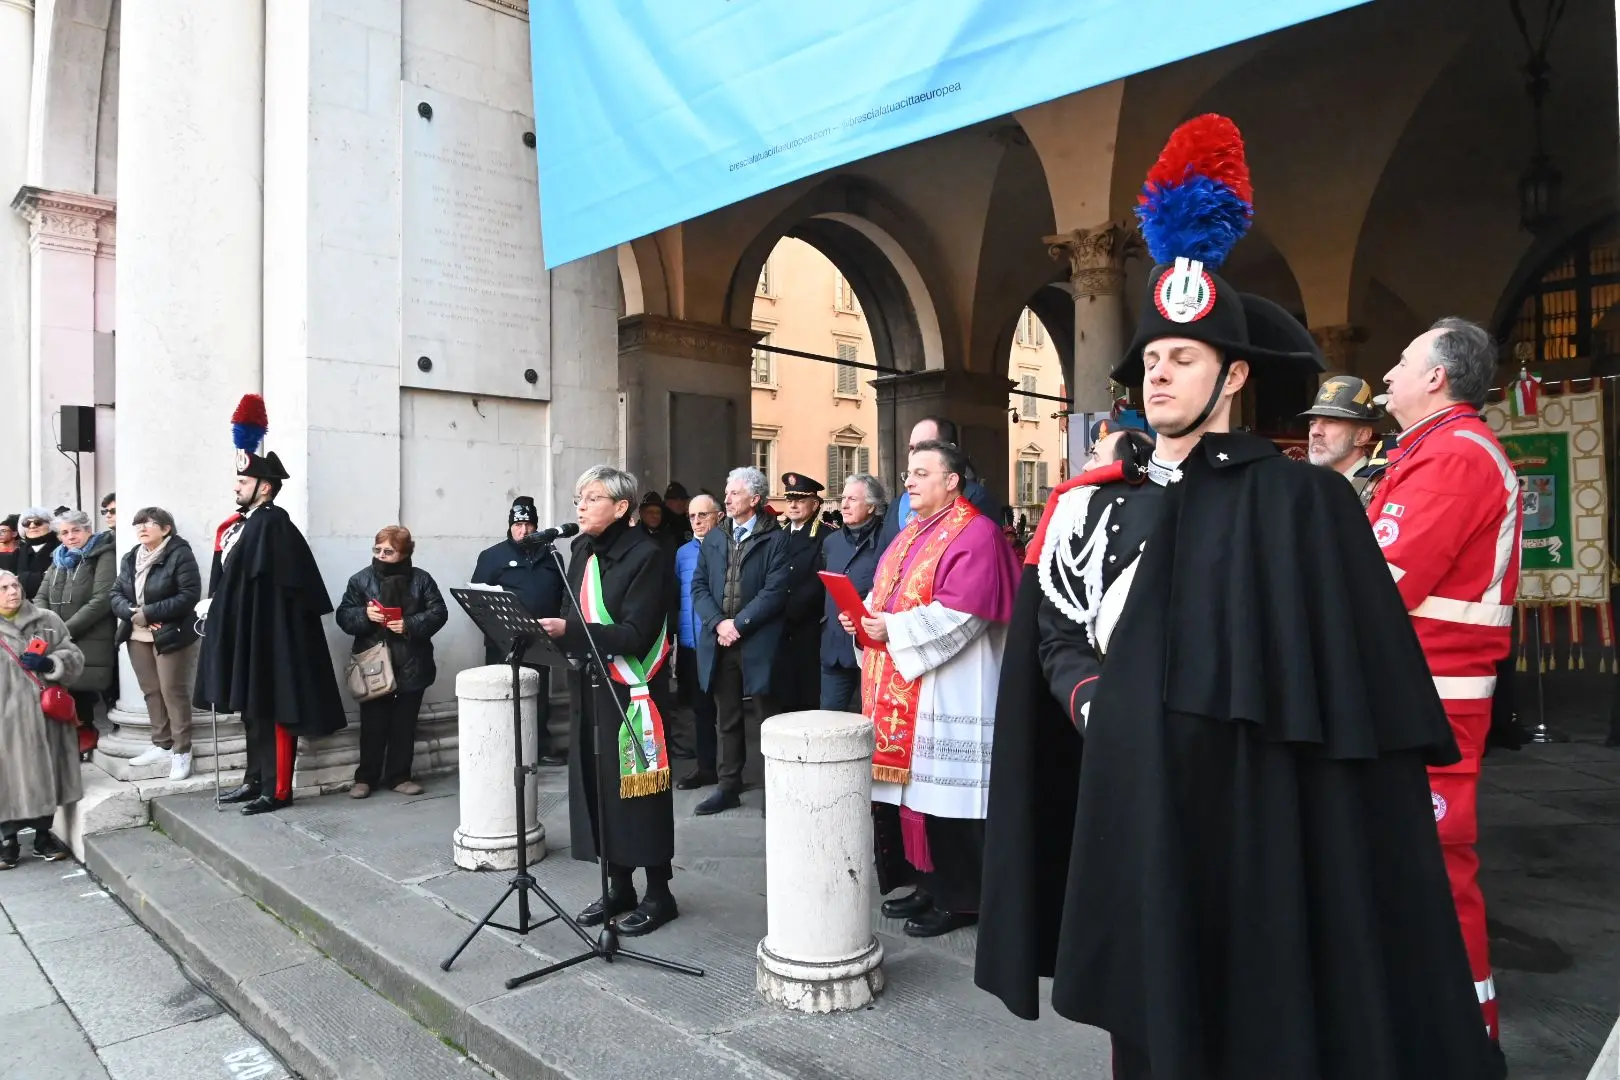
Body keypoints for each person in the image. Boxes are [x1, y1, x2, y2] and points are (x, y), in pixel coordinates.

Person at [976, 114, 1499, 1080]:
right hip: (1133, 808)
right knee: (1145, 1026)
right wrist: (1086, 693)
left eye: (1183, 356)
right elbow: (1052, 627)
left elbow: (1346, 708)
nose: (1160, 373)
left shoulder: (1303, 504)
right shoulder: (1100, 509)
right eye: (1151, 360)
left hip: (1257, 829)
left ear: (1235, 374)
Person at [1372, 316, 1523, 1051]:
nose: (1387, 375)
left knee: (1434, 865)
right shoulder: (1431, 449)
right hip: (1416, 690)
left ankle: (1463, 1039)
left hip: (1435, 694)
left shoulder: (1457, 456)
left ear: (1437, 377)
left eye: (1401, 361)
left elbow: (1379, 581)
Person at [842, 441, 1018, 937]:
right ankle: (928, 885)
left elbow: (965, 613)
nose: (909, 483)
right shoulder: (909, 535)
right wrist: (862, 617)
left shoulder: (976, 533)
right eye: (907, 475)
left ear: (952, 480)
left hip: (953, 688)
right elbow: (883, 595)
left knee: (950, 801)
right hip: (910, 684)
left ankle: (962, 899)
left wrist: (890, 630)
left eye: (921, 473)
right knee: (916, 798)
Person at [540, 465, 679, 936]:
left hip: (631, 687)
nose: (580, 504)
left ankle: (659, 892)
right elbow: (568, 609)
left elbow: (636, 635)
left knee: (638, 790)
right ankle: (619, 884)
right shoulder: (580, 548)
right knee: (597, 786)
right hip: (590, 684)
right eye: (579, 496)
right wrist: (556, 632)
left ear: (621, 508)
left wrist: (571, 632)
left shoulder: (649, 555)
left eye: (592, 497)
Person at [195, 394, 347, 816]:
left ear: (264, 486)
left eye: (242, 483)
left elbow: (284, 589)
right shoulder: (239, 527)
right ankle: (253, 779)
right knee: (252, 712)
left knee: (277, 712)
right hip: (246, 633)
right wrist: (215, 604)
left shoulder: (274, 524)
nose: (235, 489)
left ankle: (277, 789)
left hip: (273, 638)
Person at [689, 466, 790, 815]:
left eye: (734, 493)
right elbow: (698, 586)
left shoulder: (775, 539)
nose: (727, 498)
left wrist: (740, 624)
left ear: (755, 499)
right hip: (721, 640)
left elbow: (775, 592)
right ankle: (727, 785)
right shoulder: (715, 537)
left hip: (758, 641)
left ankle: (774, 790)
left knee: (768, 718)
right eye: (727, 492)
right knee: (726, 718)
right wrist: (719, 624)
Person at [335, 526, 448, 799]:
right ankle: (365, 778)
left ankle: (400, 776)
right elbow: (343, 616)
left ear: (404, 553)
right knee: (372, 724)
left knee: (404, 724)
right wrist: (365, 615)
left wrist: (408, 624)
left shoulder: (421, 580)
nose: (382, 555)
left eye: (389, 551)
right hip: (373, 663)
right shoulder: (360, 580)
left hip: (411, 661)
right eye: (378, 550)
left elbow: (439, 612)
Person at [471, 496, 568, 767]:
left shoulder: (551, 556)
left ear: (536, 526)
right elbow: (479, 599)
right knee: (505, 695)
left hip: (541, 638)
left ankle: (539, 748)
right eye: (518, 525)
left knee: (538, 695)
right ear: (510, 526)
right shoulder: (493, 556)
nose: (523, 531)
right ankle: (504, 751)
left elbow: (565, 594)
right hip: (505, 642)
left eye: (528, 524)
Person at [110, 507, 203, 781]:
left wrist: (150, 612)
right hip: (136, 633)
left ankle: (182, 750)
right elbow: (115, 593)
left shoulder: (179, 554)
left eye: (149, 523)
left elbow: (189, 595)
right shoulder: (130, 557)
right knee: (151, 690)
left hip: (170, 632)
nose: (142, 528)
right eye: (138, 523)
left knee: (172, 690)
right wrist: (132, 613)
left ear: (166, 529)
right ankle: (161, 743)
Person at [0, 569, 84, 866]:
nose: (13, 591)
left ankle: (42, 836)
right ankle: (7, 839)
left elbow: (75, 659)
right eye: (4, 588)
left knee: (43, 773)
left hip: (43, 714)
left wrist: (51, 662)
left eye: (15, 585)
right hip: (5, 720)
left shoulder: (47, 620)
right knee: (7, 777)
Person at [35, 509, 118, 758]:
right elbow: (41, 594)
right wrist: (47, 624)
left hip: (92, 633)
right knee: (63, 685)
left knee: (85, 686)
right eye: (64, 532)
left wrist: (63, 630)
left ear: (88, 530)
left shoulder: (103, 554)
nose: (70, 537)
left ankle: (88, 731)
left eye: (76, 530)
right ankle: (72, 734)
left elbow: (101, 599)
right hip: (58, 634)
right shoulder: (58, 558)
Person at [877, 418, 1004, 552]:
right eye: (911, 448)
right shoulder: (898, 505)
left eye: (925, 446)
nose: (915, 454)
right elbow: (879, 562)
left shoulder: (977, 500)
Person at [818, 473, 887, 711]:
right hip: (834, 647)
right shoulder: (831, 542)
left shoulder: (888, 542)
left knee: (870, 726)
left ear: (871, 506)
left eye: (852, 499)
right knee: (830, 726)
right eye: (843, 498)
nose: (844, 505)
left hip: (873, 649)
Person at [772, 472, 835, 713]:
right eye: (790, 500)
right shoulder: (779, 535)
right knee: (783, 695)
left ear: (815, 504)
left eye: (800, 499)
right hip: (779, 624)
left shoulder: (826, 536)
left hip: (808, 623)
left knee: (807, 693)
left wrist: (790, 609)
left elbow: (820, 581)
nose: (793, 505)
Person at [674, 493, 722, 789]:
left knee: (728, 713)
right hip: (691, 644)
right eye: (692, 516)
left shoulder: (729, 547)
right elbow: (679, 596)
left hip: (720, 642)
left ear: (718, 516)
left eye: (703, 515)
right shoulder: (682, 553)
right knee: (700, 709)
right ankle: (706, 767)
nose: (697, 521)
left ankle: (731, 772)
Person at [1301, 375, 1385, 506]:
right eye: (1312, 423)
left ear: (1361, 436)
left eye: (1330, 422)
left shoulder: (1380, 488)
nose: (1315, 431)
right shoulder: (1304, 483)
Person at [15, 507, 60, 598]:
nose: (32, 526)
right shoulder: (19, 551)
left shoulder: (61, 548)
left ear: (50, 524)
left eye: (38, 522)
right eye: (26, 523)